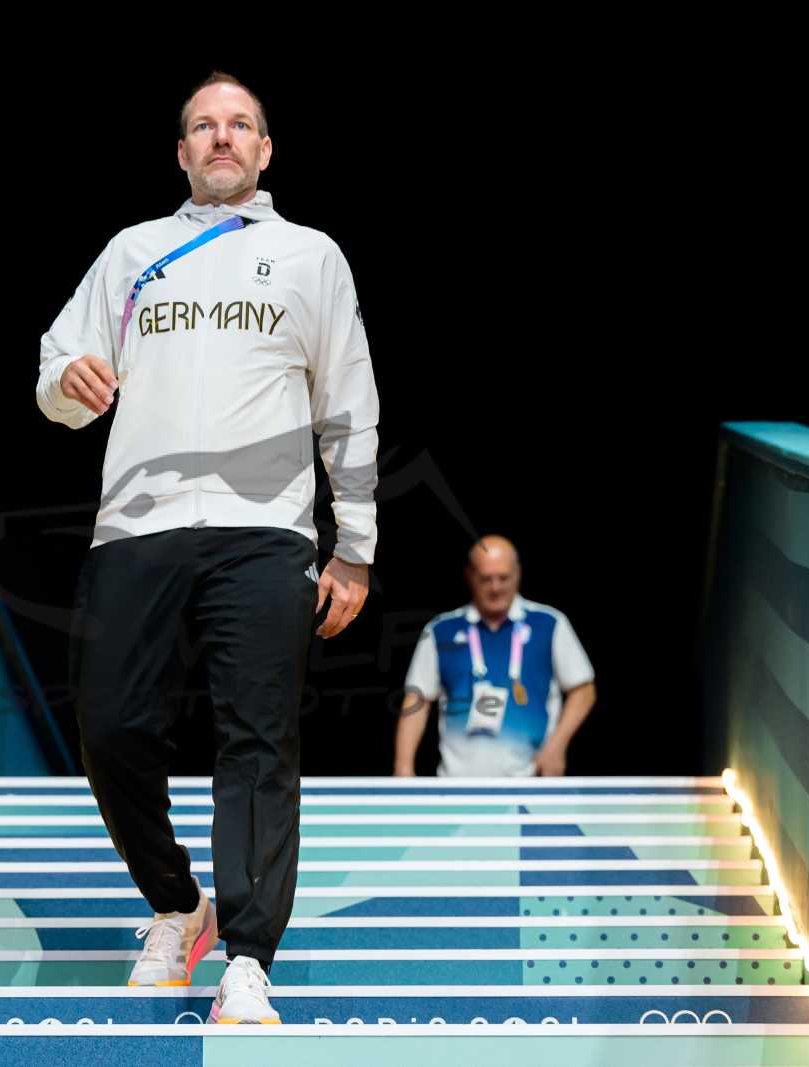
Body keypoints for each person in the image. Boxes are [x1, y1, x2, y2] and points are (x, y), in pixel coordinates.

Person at [35, 71, 380, 1024]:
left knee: (258, 738)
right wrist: (69, 380)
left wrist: (354, 545)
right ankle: (177, 901)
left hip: (266, 531)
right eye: (203, 126)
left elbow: (349, 403)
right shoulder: (132, 252)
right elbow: (56, 373)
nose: (221, 138)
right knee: (110, 727)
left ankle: (248, 957)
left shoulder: (311, 256)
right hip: (135, 525)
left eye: (240, 125)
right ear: (181, 151)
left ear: (265, 150)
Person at [396, 536, 595, 778]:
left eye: (503, 578)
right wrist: (403, 769)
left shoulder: (549, 624)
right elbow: (417, 698)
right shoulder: (441, 630)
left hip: (531, 782)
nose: (495, 587)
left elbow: (583, 689)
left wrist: (557, 746)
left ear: (518, 574)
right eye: (486, 578)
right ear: (470, 576)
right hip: (456, 785)